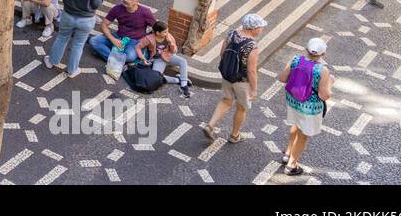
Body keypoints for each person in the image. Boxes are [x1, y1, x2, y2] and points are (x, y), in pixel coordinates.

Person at [204, 13, 267, 144]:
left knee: (226, 100)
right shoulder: (252, 46)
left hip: (227, 75)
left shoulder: (231, 34)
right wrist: (254, 90)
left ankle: (210, 125)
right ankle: (234, 135)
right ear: (253, 28)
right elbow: (251, 71)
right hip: (242, 81)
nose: (261, 29)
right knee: (241, 107)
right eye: (260, 27)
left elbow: (222, 53)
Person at [280, 37, 334, 176]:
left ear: (306, 49)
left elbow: (282, 78)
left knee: (296, 124)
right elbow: (324, 95)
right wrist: (330, 83)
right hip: (309, 108)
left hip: (293, 101)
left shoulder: (295, 60)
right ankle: (291, 165)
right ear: (323, 54)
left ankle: (287, 153)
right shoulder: (322, 70)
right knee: (303, 135)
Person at [44, 0, 103, 78]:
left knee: (61, 38)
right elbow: (96, 4)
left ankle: (52, 61)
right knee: (78, 44)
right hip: (86, 20)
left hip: (68, 16)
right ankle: (72, 70)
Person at [89, 0, 156, 62]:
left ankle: (111, 57)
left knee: (130, 56)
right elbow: (103, 25)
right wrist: (113, 39)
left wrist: (147, 41)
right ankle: (118, 60)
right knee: (93, 41)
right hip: (118, 37)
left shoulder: (145, 12)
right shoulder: (117, 9)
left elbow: (156, 28)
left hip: (134, 41)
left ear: (136, 2)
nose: (125, 0)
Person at [134, 22, 192, 98]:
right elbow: (137, 47)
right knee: (156, 78)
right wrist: (143, 58)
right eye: (165, 32)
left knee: (183, 61)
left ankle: (184, 86)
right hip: (158, 60)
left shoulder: (168, 36)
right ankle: (179, 80)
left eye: (167, 31)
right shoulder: (149, 38)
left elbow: (174, 51)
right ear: (158, 33)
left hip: (169, 56)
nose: (167, 33)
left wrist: (170, 43)